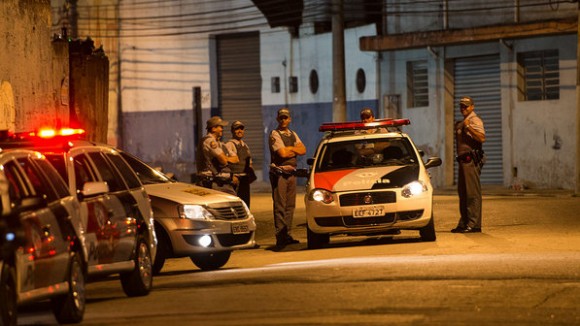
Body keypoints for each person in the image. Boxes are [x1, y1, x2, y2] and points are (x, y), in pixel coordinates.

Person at [269, 107, 306, 250]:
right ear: (277, 119)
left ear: (289, 119)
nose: (283, 120)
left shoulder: (292, 133)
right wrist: (293, 149)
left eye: (286, 118)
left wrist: (289, 149)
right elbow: (282, 154)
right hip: (279, 174)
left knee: (290, 206)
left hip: (291, 174)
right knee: (280, 206)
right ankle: (280, 237)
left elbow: (303, 150)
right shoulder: (274, 134)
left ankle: (288, 235)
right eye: (281, 118)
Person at [451, 96, 486, 233]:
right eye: (461, 106)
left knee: (472, 194)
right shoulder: (462, 122)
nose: (463, 108)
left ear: (472, 107)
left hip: (471, 161)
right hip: (463, 161)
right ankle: (464, 222)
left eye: (466, 106)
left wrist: (469, 128)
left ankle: (474, 224)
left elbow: (482, 138)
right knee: (463, 193)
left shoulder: (474, 120)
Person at [196, 116, 239, 195]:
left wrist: (225, 159)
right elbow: (223, 161)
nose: (222, 129)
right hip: (212, 182)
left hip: (220, 181)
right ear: (213, 129)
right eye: (220, 127)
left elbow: (236, 159)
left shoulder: (221, 144)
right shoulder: (209, 141)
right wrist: (226, 159)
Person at [225, 120, 255, 207]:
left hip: (244, 179)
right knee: (235, 204)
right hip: (235, 180)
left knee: (245, 204)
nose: (240, 131)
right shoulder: (229, 144)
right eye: (237, 129)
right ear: (232, 131)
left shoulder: (245, 146)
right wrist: (232, 176)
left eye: (241, 129)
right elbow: (226, 163)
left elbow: (249, 162)